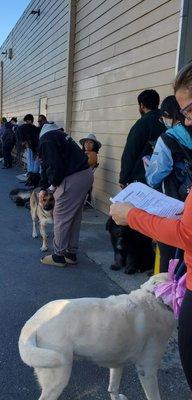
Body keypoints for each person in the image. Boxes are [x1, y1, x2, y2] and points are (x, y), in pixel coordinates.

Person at [111, 61, 192, 392]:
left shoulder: (168, 138)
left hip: (170, 214)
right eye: (184, 113)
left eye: (191, 110)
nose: (187, 121)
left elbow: (155, 177)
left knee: (170, 267)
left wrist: (131, 214)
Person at [145, 95, 192, 272]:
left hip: (173, 202)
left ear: (169, 114)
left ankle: (167, 295)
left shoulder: (168, 138)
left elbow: (156, 174)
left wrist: (149, 168)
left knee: (168, 253)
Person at [38, 123, 93, 267]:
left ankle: (58, 256)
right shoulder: (60, 136)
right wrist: (44, 187)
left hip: (73, 178)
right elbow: (47, 166)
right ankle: (70, 253)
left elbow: (54, 166)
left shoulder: (46, 140)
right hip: (85, 175)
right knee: (74, 216)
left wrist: (51, 186)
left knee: (61, 215)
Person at [119, 89, 166, 188]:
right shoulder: (166, 120)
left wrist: (123, 178)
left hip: (142, 178)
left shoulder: (142, 124)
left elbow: (130, 152)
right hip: (163, 177)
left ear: (142, 105)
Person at [18, 114, 40, 187]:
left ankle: (30, 178)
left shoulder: (22, 128)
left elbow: (21, 139)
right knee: (35, 162)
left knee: (30, 161)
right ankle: (34, 178)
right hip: (37, 147)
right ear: (31, 120)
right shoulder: (35, 128)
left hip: (29, 146)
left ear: (27, 120)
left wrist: (24, 143)